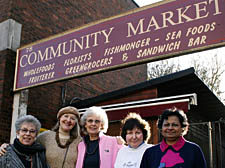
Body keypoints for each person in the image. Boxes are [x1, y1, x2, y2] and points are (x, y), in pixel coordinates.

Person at [0, 106, 82, 168]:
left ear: (76, 123)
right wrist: (6, 146)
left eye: (73, 118)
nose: (68, 120)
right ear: (59, 118)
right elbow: (25, 144)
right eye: (66, 116)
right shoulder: (45, 136)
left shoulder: (80, 141)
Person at [140, 107, 207, 168]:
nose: (170, 128)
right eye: (166, 125)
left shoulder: (194, 150)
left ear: (182, 128)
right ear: (161, 128)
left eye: (175, 125)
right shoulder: (150, 153)